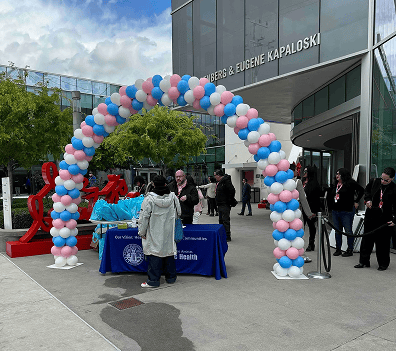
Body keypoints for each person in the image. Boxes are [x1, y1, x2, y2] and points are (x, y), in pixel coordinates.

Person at [138, 175, 181, 288]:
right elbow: (179, 212)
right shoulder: (173, 197)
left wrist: (141, 232)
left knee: (154, 254)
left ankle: (153, 281)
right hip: (169, 230)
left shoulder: (149, 199)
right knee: (169, 253)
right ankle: (171, 278)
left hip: (154, 231)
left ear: (153, 185)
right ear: (166, 184)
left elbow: (144, 217)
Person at [355, 167, 396, 271]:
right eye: (382, 178)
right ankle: (363, 261)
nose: (382, 181)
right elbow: (367, 191)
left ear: (392, 179)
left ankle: (383, 264)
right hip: (371, 215)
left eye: (386, 180)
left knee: (383, 242)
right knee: (366, 240)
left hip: (384, 218)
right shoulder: (375, 182)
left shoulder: (394, 189)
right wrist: (367, 200)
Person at [330, 168, 364, 257]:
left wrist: (356, 201)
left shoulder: (350, 183)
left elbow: (362, 190)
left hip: (347, 210)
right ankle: (338, 249)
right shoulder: (336, 184)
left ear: (343, 175)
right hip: (336, 210)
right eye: (336, 174)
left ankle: (350, 249)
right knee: (337, 230)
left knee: (348, 230)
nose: (337, 176)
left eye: (339, 174)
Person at [290, 163, 315, 263]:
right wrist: (309, 213)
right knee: (299, 234)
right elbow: (303, 199)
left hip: (284, 213)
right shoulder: (297, 182)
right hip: (296, 212)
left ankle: (288, 253)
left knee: (287, 234)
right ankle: (301, 255)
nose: (297, 172)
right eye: (296, 170)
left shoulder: (282, 182)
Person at [301, 166, 322, 251]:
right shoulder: (302, 182)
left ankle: (311, 243)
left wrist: (315, 211)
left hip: (311, 207)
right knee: (301, 225)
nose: (304, 172)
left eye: (306, 171)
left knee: (311, 226)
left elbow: (315, 198)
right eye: (304, 170)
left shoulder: (314, 184)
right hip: (302, 207)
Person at [214, 169, 235, 242]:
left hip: (224, 204)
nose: (215, 177)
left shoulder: (225, 182)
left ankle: (227, 235)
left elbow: (232, 191)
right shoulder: (219, 182)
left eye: (215, 175)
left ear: (219, 175)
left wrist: (228, 200)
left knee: (225, 219)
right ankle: (222, 234)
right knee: (221, 220)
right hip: (220, 204)